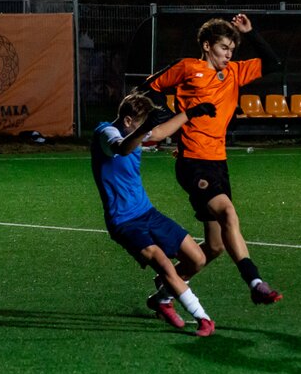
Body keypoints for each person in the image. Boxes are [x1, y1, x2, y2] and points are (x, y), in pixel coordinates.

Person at [139, 13, 284, 306]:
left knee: (215, 247)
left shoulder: (235, 72)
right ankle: (255, 282)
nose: (228, 55)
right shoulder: (187, 68)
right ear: (207, 46)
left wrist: (251, 33)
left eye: (232, 49)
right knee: (228, 212)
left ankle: (165, 291)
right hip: (193, 161)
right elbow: (148, 88)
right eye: (223, 48)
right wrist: (173, 120)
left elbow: (273, 63)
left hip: (218, 161)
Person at [91, 92, 219, 336]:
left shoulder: (135, 130)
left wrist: (191, 113)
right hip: (123, 222)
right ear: (128, 120)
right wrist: (143, 130)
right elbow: (122, 148)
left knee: (197, 259)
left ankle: (160, 300)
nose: (146, 131)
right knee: (163, 264)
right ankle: (203, 318)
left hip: (147, 212)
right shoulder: (105, 133)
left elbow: (159, 132)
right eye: (142, 125)